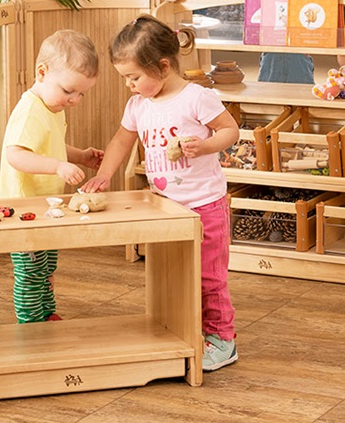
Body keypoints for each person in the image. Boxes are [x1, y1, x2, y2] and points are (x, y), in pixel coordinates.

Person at [80, 15, 240, 371]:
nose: (129, 85)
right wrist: (104, 175)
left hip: (204, 206)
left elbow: (231, 131)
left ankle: (222, 341)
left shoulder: (196, 97)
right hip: (166, 208)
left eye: (134, 77)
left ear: (163, 66)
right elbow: (123, 140)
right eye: (125, 78)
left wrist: (207, 145)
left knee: (209, 277)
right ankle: (185, 329)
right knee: (173, 272)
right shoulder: (139, 105)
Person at [0, 29, 103, 324]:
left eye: (81, 93)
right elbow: (15, 154)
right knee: (30, 272)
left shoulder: (51, 107)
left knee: (46, 266)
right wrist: (58, 167)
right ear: (41, 73)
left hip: (44, 209)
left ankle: (46, 313)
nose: (75, 100)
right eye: (69, 91)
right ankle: (31, 322)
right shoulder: (31, 110)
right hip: (22, 210)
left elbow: (50, 146)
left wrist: (78, 156)